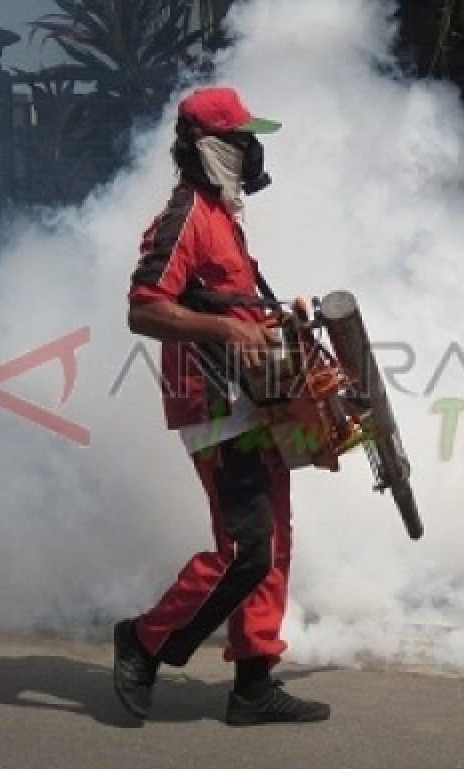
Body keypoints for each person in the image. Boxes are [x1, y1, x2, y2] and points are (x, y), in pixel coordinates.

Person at [115, 87, 330, 725]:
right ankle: (146, 638)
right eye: (241, 138)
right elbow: (142, 309)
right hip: (214, 406)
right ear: (212, 147)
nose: (253, 150)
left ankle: (254, 684)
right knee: (247, 548)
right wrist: (232, 332)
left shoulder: (221, 215)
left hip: (254, 402)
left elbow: (223, 303)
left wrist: (271, 317)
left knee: (274, 542)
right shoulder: (185, 215)